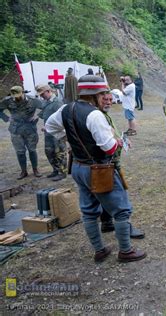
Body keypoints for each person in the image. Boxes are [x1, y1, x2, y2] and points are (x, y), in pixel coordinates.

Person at [45, 75, 146, 263]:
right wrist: (117, 141)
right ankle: (126, 251)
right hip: (99, 170)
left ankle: (99, 250)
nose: (105, 97)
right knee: (122, 210)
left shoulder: (65, 109)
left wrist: (69, 140)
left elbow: (50, 126)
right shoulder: (95, 115)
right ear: (96, 94)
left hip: (77, 167)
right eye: (103, 94)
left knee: (89, 211)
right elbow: (107, 147)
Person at [95, 92, 145, 238]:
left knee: (105, 191)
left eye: (111, 100)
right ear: (97, 99)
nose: (108, 102)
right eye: (105, 99)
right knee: (120, 197)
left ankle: (106, 222)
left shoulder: (104, 115)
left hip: (110, 162)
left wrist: (122, 139)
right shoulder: (98, 117)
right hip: (107, 163)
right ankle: (125, 229)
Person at [0, 86, 43, 179]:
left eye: (18, 95)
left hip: (30, 129)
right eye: (14, 96)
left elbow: (45, 107)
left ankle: (35, 169)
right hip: (16, 130)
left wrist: (38, 115)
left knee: (32, 150)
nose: (16, 98)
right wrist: (6, 118)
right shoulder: (7, 101)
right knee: (20, 152)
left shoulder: (32, 100)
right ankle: (23, 171)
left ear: (23, 93)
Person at [35, 84, 67, 181]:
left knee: (59, 153)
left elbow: (62, 119)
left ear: (49, 91)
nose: (41, 96)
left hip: (57, 133)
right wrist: (37, 116)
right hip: (48, 133)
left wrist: (49, 127)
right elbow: (44, 112)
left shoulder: (57, 103)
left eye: (42, 94)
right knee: (49, 152)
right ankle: (55, 170)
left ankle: (63, 172)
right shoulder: (46, 102)